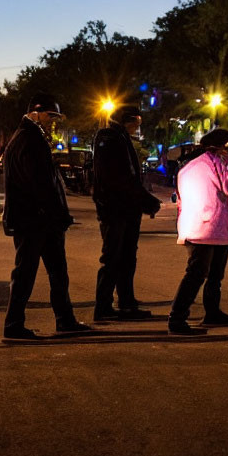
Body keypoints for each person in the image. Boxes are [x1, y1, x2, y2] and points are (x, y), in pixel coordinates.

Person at [1, 92, 90, 340]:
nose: (54, 121)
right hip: (34, 221)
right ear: (35, 113)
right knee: (26, 273)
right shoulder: (28, 139)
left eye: (56, 117)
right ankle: (14, 326)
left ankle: (65, 320)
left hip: (41, 220)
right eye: (51, 116)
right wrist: (54, 212)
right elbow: (39, 185)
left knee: (57, 272)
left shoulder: (30, 137)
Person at [168, 128, 228, 336]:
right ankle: (177, 319)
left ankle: (211, 313)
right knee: (202, 274)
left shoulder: (187, 166)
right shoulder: (223, 165)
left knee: (205, 273)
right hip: (215, 227)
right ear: (222, 146)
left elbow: (179, 198)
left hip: (194, 226)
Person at [91, 106, 161, 321]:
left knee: (127, 257)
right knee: (113, 258)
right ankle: (104, 307)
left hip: (127, 208)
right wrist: (145, 199)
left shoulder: (120, 138)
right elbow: (120, 178)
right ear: (127, 121)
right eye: (136, 122)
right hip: (115, 209)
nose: (137, 127)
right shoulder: (110, 138)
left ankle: (126, 302)